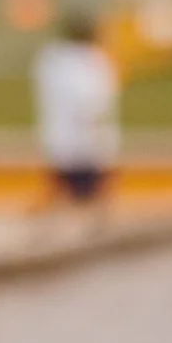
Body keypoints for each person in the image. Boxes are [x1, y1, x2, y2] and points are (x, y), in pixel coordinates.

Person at [32, 12, 119, 236]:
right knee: (97, 186)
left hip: (58, 137)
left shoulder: (51, 59)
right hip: (87, 138)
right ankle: (98, 227)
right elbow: (95, 102)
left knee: (60, 185)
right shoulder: (94, 62)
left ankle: (45, 227)